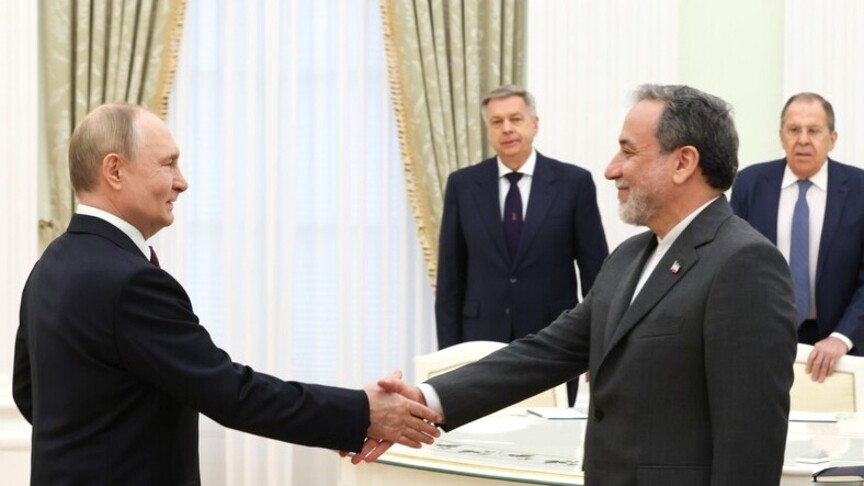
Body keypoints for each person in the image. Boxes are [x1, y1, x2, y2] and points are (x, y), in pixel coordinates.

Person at [381, 84, 799, 485]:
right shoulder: (629, 256)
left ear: (683, 163)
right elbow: (546, 353)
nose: (612, 169)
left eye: (628, 151)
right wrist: (427, 398)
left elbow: (750, 442)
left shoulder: (744, 263)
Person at [12, 103, 441, 484]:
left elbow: (29, 392)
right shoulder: (131, 281)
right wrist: (363, 412)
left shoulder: (49, 266)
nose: (182, 182)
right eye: (168, 164)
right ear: (115, 171)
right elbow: (231, 393)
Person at [435, 85, 608, 404]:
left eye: (515, 119)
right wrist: (447, 357)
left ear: (534, 123)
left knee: (548, 431)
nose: (507, 128)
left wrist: (597, 345)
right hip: (478, 341)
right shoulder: (463, 185)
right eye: (496, 121)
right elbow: (449, 281)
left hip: (555, 341)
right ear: (488, 129)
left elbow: (596, 275)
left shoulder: (573, 183)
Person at [731, 92, 864, 383]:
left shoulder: (860, 189)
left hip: (842, 345)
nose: (803, 140)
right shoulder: (750, 184)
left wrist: (842, 337)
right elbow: (732, 267)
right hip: (764, 339)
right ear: (781, 136)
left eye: (813, 130)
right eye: (794, 129)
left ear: (832, 138)